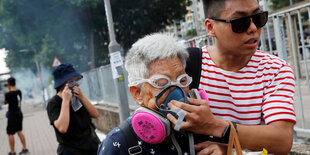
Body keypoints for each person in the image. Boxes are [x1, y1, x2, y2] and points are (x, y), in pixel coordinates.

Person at [166, 0, 296, 154]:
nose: (253, 28)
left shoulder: (274, 70)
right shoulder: (185, 66)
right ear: (211, 27)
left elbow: (282, 140)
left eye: (258, 18)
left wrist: (218, 131)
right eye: (241, 22)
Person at [98, 33, 227, 155]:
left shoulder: (202, 128)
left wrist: (226, 150)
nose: (177, 91)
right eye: (161, 83)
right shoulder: (119, 144)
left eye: (182, 80)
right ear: (137, 93)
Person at [47, 63, 100, 155]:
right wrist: (66, 101)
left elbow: (95, 114)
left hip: (90, 147)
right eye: (71, 81)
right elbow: (62, 128)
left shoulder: (77, 96)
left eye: (76, 80)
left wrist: (82, 97)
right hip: (71, 150)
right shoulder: (53, 103)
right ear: (61, 84)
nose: (75, 84)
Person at [3, 77, 29, 155]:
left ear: (9, 84)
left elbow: (4, 102)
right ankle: (25, 148)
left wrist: (8, 90)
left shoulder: (8, 94)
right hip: (19, 113)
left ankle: (12, 151)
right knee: (19, 131)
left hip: (12, 115)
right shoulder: (19, 92)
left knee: (10, 133)